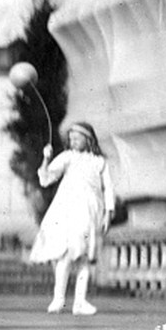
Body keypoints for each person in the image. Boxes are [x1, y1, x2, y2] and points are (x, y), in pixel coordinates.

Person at [30, 121, 115, 316]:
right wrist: (46, 159)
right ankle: (58, 299)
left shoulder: (99, 162)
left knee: (85, 256)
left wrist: (109, 213)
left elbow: (108, 188)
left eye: (77, 138)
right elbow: (46, 178)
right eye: (71, 139)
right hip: (69, 210)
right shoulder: (68, 157)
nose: (73, 141)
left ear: (88, 139)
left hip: (91, 210)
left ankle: (80, 301)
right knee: (66, 254)